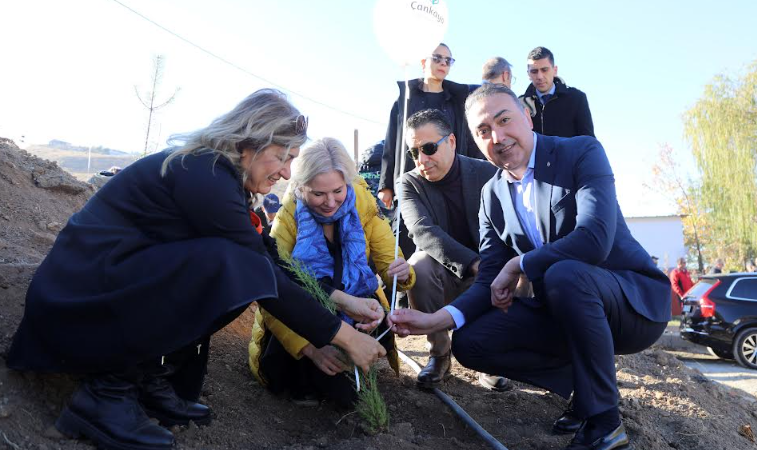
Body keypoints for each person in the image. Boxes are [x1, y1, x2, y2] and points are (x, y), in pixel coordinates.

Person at [6, 89, 386, 450]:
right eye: (283, 157)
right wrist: (345, 337)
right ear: (249, 144)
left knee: (246, 267)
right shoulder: (202, 174)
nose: (287, 174)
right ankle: (105, 394)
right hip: (74, 299)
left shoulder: (219, 180)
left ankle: (147, 378)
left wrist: (341, 303)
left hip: (100, 290)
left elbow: (271, 260)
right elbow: (260, 270)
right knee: (233, 266)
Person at [388, 83, 671, 450]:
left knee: (562, 273)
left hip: (631, 304)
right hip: (565, 312)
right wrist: (433, 320)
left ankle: (604, 422)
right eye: (484, 131)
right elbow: (488, 277)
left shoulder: (581, 152)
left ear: (526, 114)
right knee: (472, 343)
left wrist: (520, 263)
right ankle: (583, 387)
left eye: (504, 120)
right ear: (474, 140)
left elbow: (594, 239)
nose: (498, 136)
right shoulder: (493, 195)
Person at [249, 137, 415, 407]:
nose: (330, 202)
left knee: (348, 396)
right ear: (301, 187)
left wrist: (403, 273)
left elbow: (391, 266)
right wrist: (311, 350)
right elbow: (274, 290)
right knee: (305, 378)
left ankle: (352, 366)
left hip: (356, 311)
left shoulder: (365, 207)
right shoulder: (288, 216)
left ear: (348, 182)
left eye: (338, 191)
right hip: (305, 323)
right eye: (318, 194)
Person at [398, 109, 508, 392]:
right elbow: (423, 232)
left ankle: (489, 357)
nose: (422, 159)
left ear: (452, 142)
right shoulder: (409, 183)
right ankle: (439, 353)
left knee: (513, 270)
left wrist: (490, 268)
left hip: (488, 273)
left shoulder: (488, 174)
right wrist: (473, 264)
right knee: (418, 265)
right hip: (445, 273)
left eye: (429, 148)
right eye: (414, 153)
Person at [379, 43, 484, 259]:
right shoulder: (405, 100)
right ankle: (405, 290)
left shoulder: (457, 101)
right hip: (412, 177)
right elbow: (391, 142)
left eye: (448, 60)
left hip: (450, 179)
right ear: (423, 61)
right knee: (409, 236)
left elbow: (467, 141)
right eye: (438, 58)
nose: (443, 64)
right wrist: (386, 185)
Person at [520, 46, 595, 138]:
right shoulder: (519, 104)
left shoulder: (577, 98)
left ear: (554, 70)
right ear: (528, 74)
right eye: (534, 71)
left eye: (544, 70)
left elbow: (588, 141)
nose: (539, 76)